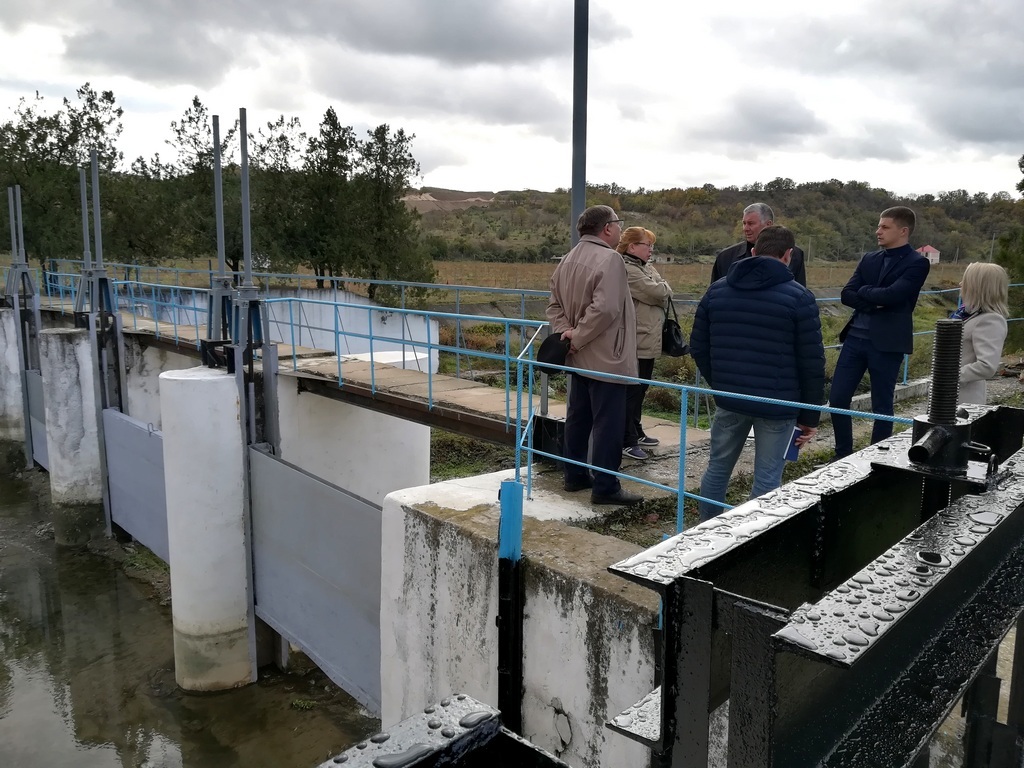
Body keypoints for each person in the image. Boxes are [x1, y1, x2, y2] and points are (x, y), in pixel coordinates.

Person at [691, 226, 825, 522]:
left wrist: (722, 385)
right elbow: (812, 363)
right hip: (777, 406)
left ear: (753, 251)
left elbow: (698, 347)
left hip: (730, 399)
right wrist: (809, 416)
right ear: (789, 255)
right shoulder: (800, 297)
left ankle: (704, 532)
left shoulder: (717, 290)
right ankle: (752, 538)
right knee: (767, 478)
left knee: (717, 468)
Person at [547, 205, 643, 506]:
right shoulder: (610, 259)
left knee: (578, 418)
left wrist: (567, 335)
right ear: (607, 228)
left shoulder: (567, 258)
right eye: (618, 224)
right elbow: (606, 308)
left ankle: (574, 475)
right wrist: (577, 337)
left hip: (578, 358)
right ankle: (605, 486)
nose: (620, 229)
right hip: (607, 357)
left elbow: (553, 306)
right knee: (609, 424)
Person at [829, 206, 930, 459]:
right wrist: (875, 302)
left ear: (903, 231)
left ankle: (877, 459)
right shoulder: (869, 259)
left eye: (885, 227)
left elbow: (894, 295)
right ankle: (842, 455)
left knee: (882, 405)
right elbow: (846, 294)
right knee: (838, 399)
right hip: (854, 339)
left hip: (887, 344)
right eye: (878, 226)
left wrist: (865, 292)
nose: (878, 231)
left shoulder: (918, 263)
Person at [618, 226, 673, 460]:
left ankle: (636, 430)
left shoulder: (645, 266)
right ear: (632, 247)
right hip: (636, 339)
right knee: (632, 391)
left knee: (641, 389)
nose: (651, 250)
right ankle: (626, 439)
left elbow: (662, 289)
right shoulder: (627, 269)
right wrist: (662, 290)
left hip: (648, 337)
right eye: (647, 245)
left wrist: (662, 289)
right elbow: (658, 292)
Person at [711, 202, 807, 286]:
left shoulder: (795, 254)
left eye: (751, 223)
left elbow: (800, 291)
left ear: (768, 224)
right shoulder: (725, 257)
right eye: (744, 223)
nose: (745, 228)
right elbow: (715, 293)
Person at [956, 262, 1009, 404]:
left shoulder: (991, 320)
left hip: (963, 399)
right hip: (946, 394)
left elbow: (987, 366)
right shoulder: (967, 315)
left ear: (977, 287)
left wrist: (951, 376)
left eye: (966, 281)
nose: (961, 284)